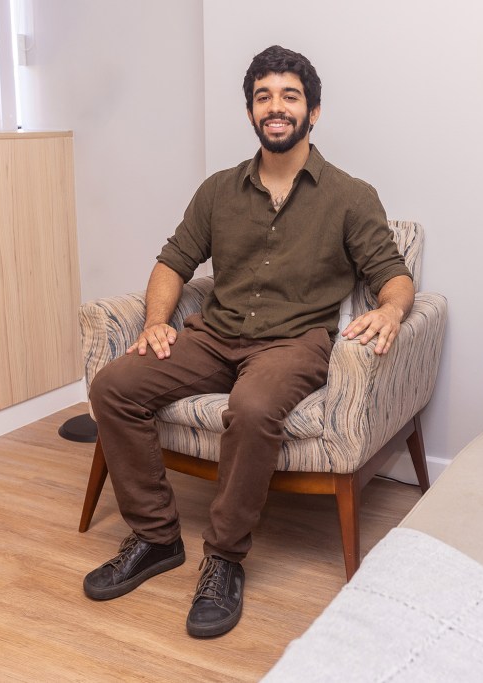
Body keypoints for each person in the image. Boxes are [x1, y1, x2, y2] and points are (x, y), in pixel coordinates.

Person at [83, 45, 415, 638]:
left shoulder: (350, 195)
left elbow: (393, 275)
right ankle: (156, 537)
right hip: (214, 336)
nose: (276, 107)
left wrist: (391, 310)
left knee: (255, 407)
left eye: (290, 96)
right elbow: (173, 262)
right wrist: (156, 320)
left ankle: (224, 559)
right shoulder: (218, 191)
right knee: (114, 387)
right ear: (250, 112)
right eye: (264, 97)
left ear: (313, 112)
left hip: (292, 344)